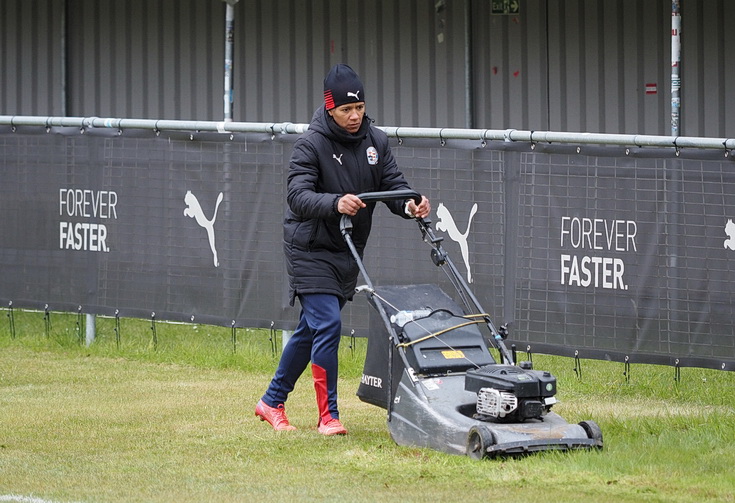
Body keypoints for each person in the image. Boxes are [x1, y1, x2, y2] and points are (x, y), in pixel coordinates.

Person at [255, 63, 431, 435]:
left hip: (347, 250)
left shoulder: (376, 142)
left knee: (311, 329)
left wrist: (410, 205)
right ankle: (328, 416)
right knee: (329, 325)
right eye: (346, 110)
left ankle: (271, 401)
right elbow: (297, 196)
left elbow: (393, 185)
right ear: (329, 109)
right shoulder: (310, 144)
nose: (354, 117)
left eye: (359, 109)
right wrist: (335, 203)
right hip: (310, 247)